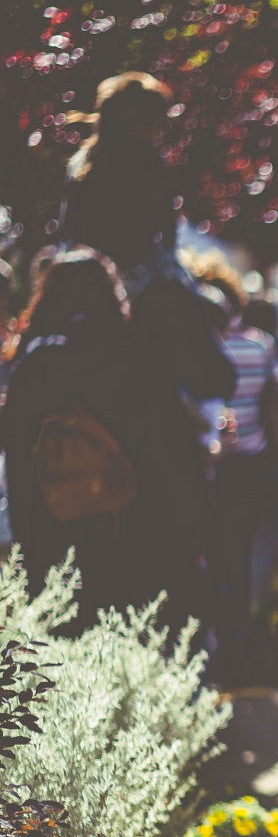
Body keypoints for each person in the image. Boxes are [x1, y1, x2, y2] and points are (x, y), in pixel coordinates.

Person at [1, 249, 194, 626]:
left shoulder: (35, 368)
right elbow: (173, 455)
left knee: (57, 658)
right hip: (131, 538)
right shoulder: (139, 364)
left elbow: (16, 459)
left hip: (52, 541)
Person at [188, 253, 278, 674]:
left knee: (208, 552)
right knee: (240, 551)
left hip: (205, 465)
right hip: (251, 465)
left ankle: (208, 641)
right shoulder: (260, 345)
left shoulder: (191, 351)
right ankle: (236, 640)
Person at [57, 74, 180, 289]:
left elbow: (67, 228)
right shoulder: (152, 166)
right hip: (138, 279)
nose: (160, 133)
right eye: (158, 124)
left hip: (86, 277)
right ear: (139, 126)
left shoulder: (82, 162)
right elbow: (168, 232)